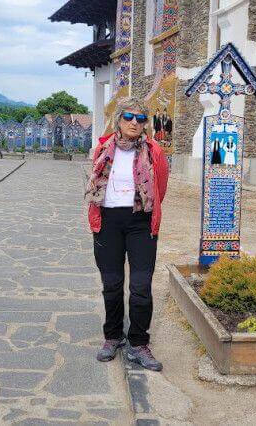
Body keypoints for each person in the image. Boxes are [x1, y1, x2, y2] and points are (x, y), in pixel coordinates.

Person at [85, 97, 169, 371]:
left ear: (146, 125)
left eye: (141, 119)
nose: (135, 123)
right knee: (111, 282)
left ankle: (138, 342)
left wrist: (145, 210)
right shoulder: (103, 148)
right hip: (108, 220)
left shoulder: (154, 151)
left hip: (141, 223)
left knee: (141, 285)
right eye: (129, 117)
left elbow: (160, 188)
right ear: (119, 120)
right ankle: (112, 337)